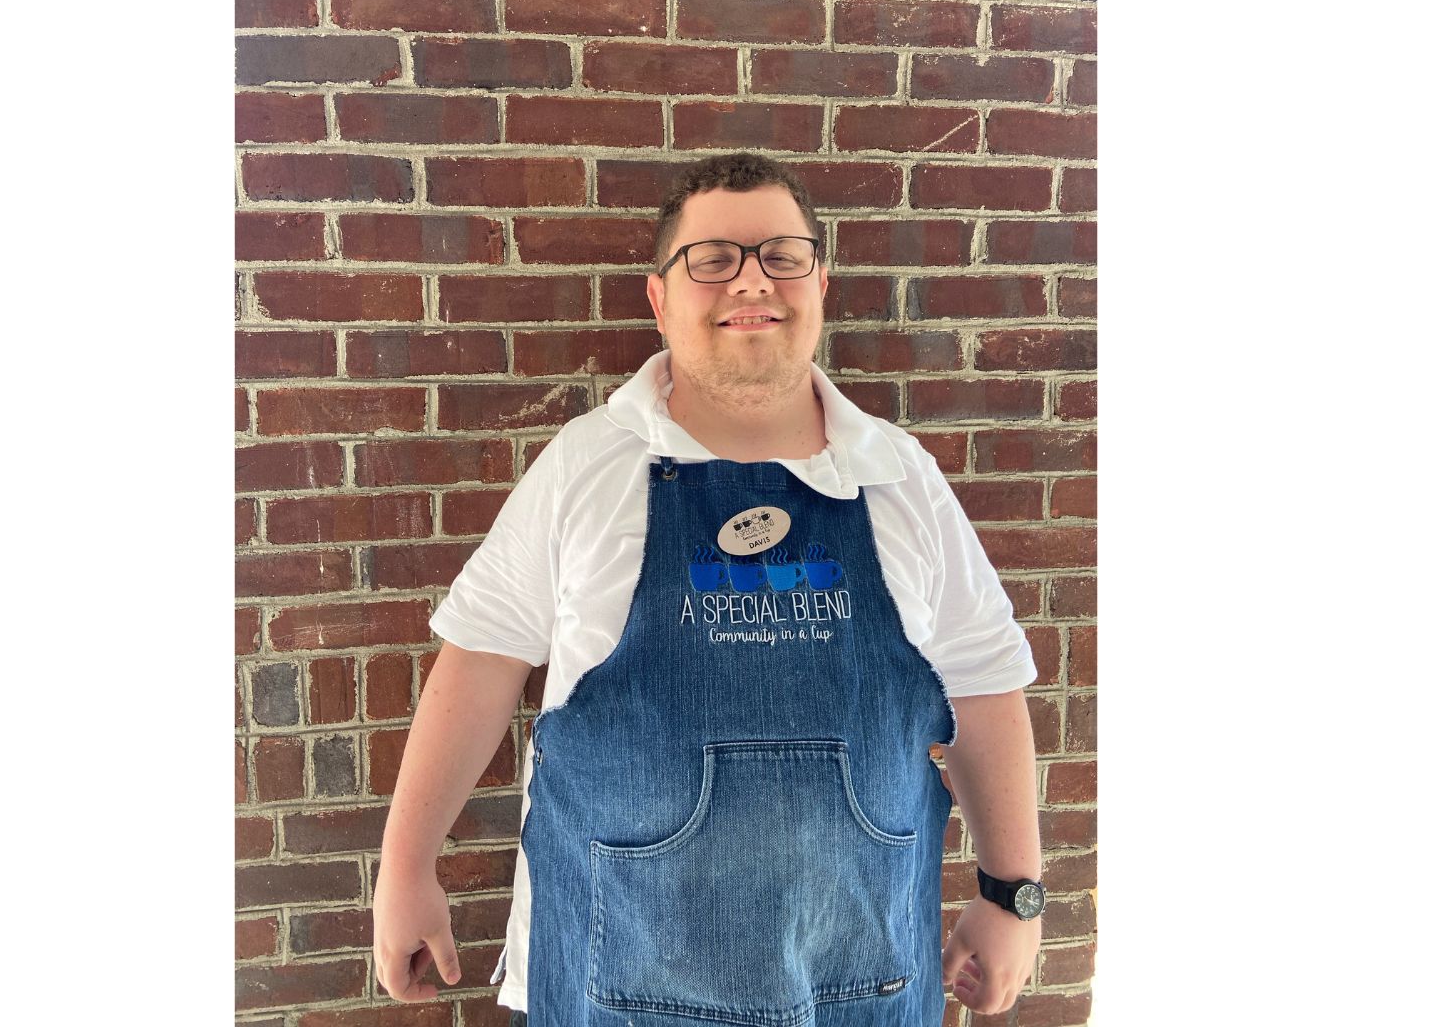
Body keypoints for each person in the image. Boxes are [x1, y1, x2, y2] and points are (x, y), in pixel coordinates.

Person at [373, 151, 1045, 1025]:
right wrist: (407, 866)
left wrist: (1011, 894)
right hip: (614, 982)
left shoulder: (897, 475)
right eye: (713, 259)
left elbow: (985, 686)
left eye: (781, 255)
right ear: (660, 297)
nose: (750, 280)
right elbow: (478, 664)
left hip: (861, 978)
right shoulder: (587, 466)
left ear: (819, 282)